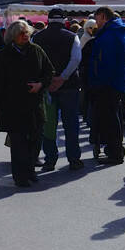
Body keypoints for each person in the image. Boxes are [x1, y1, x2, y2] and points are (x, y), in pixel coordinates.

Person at [0, 21, 54, 187]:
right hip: (12, 107)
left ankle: (30, 170)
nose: (25, 36)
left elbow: (49, 72)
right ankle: (21, 177)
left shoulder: (36, 50)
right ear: (12, 36)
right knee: (18, 143)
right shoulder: (2, 56)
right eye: (21, 33)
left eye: (27, 32)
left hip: (35, 105)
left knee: (35, 139)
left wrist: (40, 85)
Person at [32, 9, 84, 171]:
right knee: (71, 124)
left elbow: (35, 61)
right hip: (69, 86)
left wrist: (48, 79)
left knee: (48, 125)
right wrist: (63, 77)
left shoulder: (37, 37)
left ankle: (50, 160)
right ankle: (74, 159)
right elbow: (76, 58)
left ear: (48, 20)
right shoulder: (71, 36)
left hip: (46, 87)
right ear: (63, 20)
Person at [87, 7, 125, 165]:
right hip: (117, 81)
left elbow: (105, 62)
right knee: (114, 117)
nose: (96, 22)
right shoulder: (119, 31)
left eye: (97, 18)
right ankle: (116, 150)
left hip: (108, 83)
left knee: (110, 119)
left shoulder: (110, 34)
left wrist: (97, 81)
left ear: (103, 17)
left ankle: (115, 153)